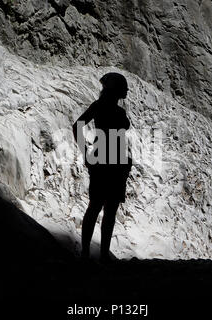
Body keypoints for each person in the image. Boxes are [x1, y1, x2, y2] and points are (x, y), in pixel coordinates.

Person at [72, 72, 133, 263]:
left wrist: (87, 153)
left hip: (102, 160)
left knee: (96, 206)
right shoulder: (117, 112)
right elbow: (78, 126)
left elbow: (77, 126)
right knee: (108, 209)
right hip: (115, 162)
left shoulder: (99, 107)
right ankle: (103, 254)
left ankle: (86, 253)